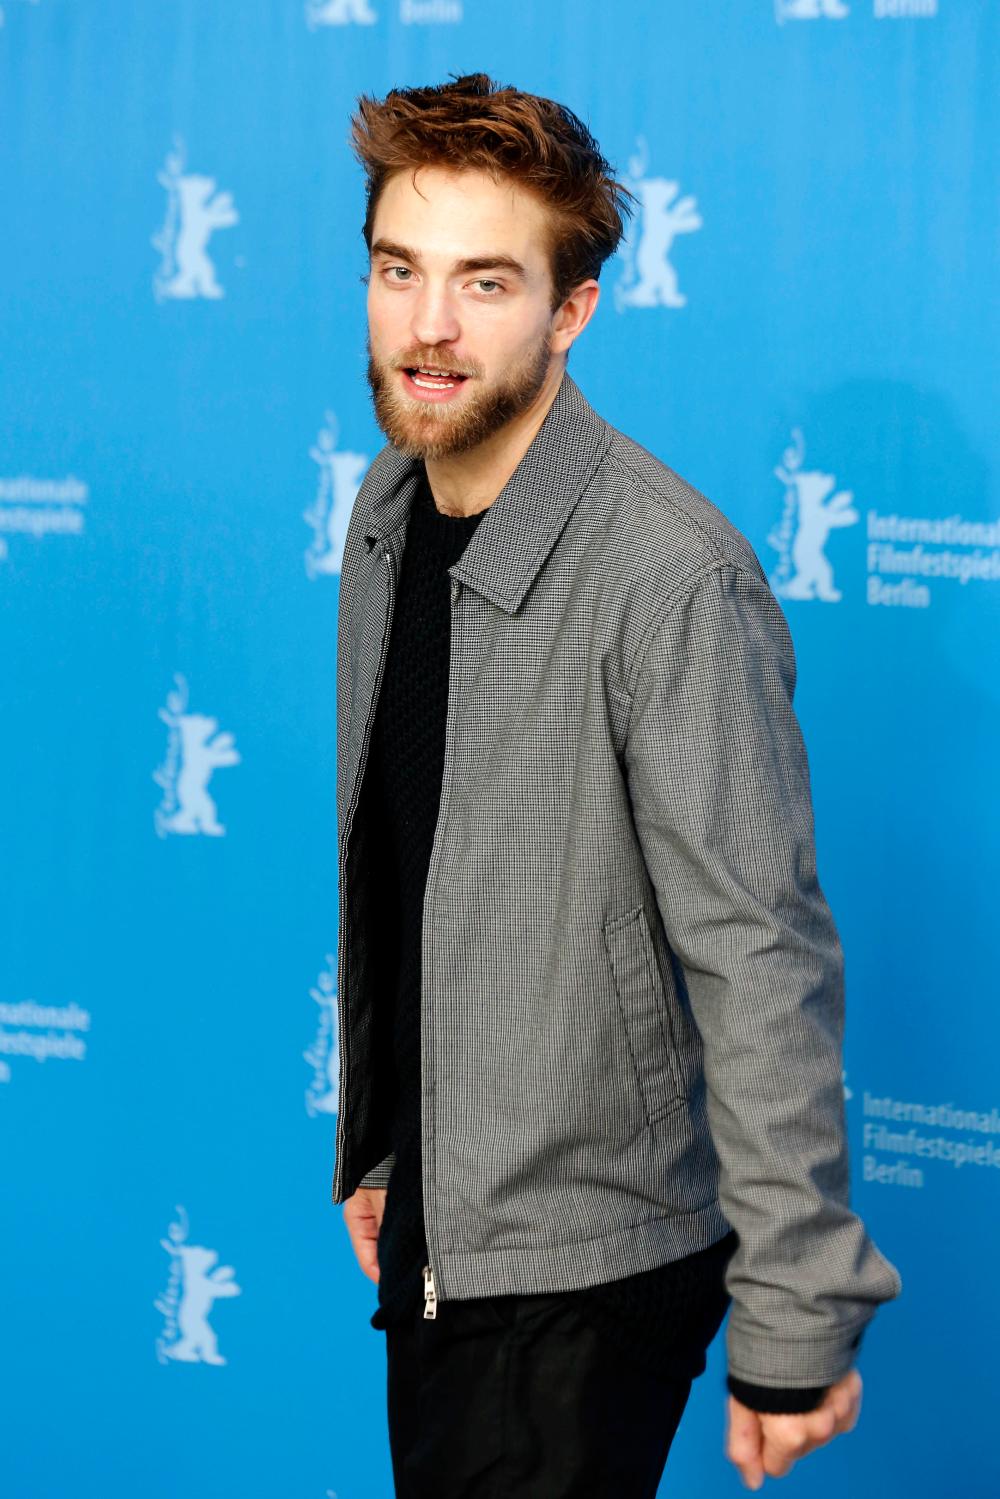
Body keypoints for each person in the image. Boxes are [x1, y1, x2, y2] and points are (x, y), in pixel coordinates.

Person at [333, 72, 901, 1496]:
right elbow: (419, 866)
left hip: (585, 1274)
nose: (429, 325)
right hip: (452, 1225)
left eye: (486, 282)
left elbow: (759, 953)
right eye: (400, 271)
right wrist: (396, 1150)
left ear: (570, 311)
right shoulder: (390, 509)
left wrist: (797, 1318)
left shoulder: (668, 574)